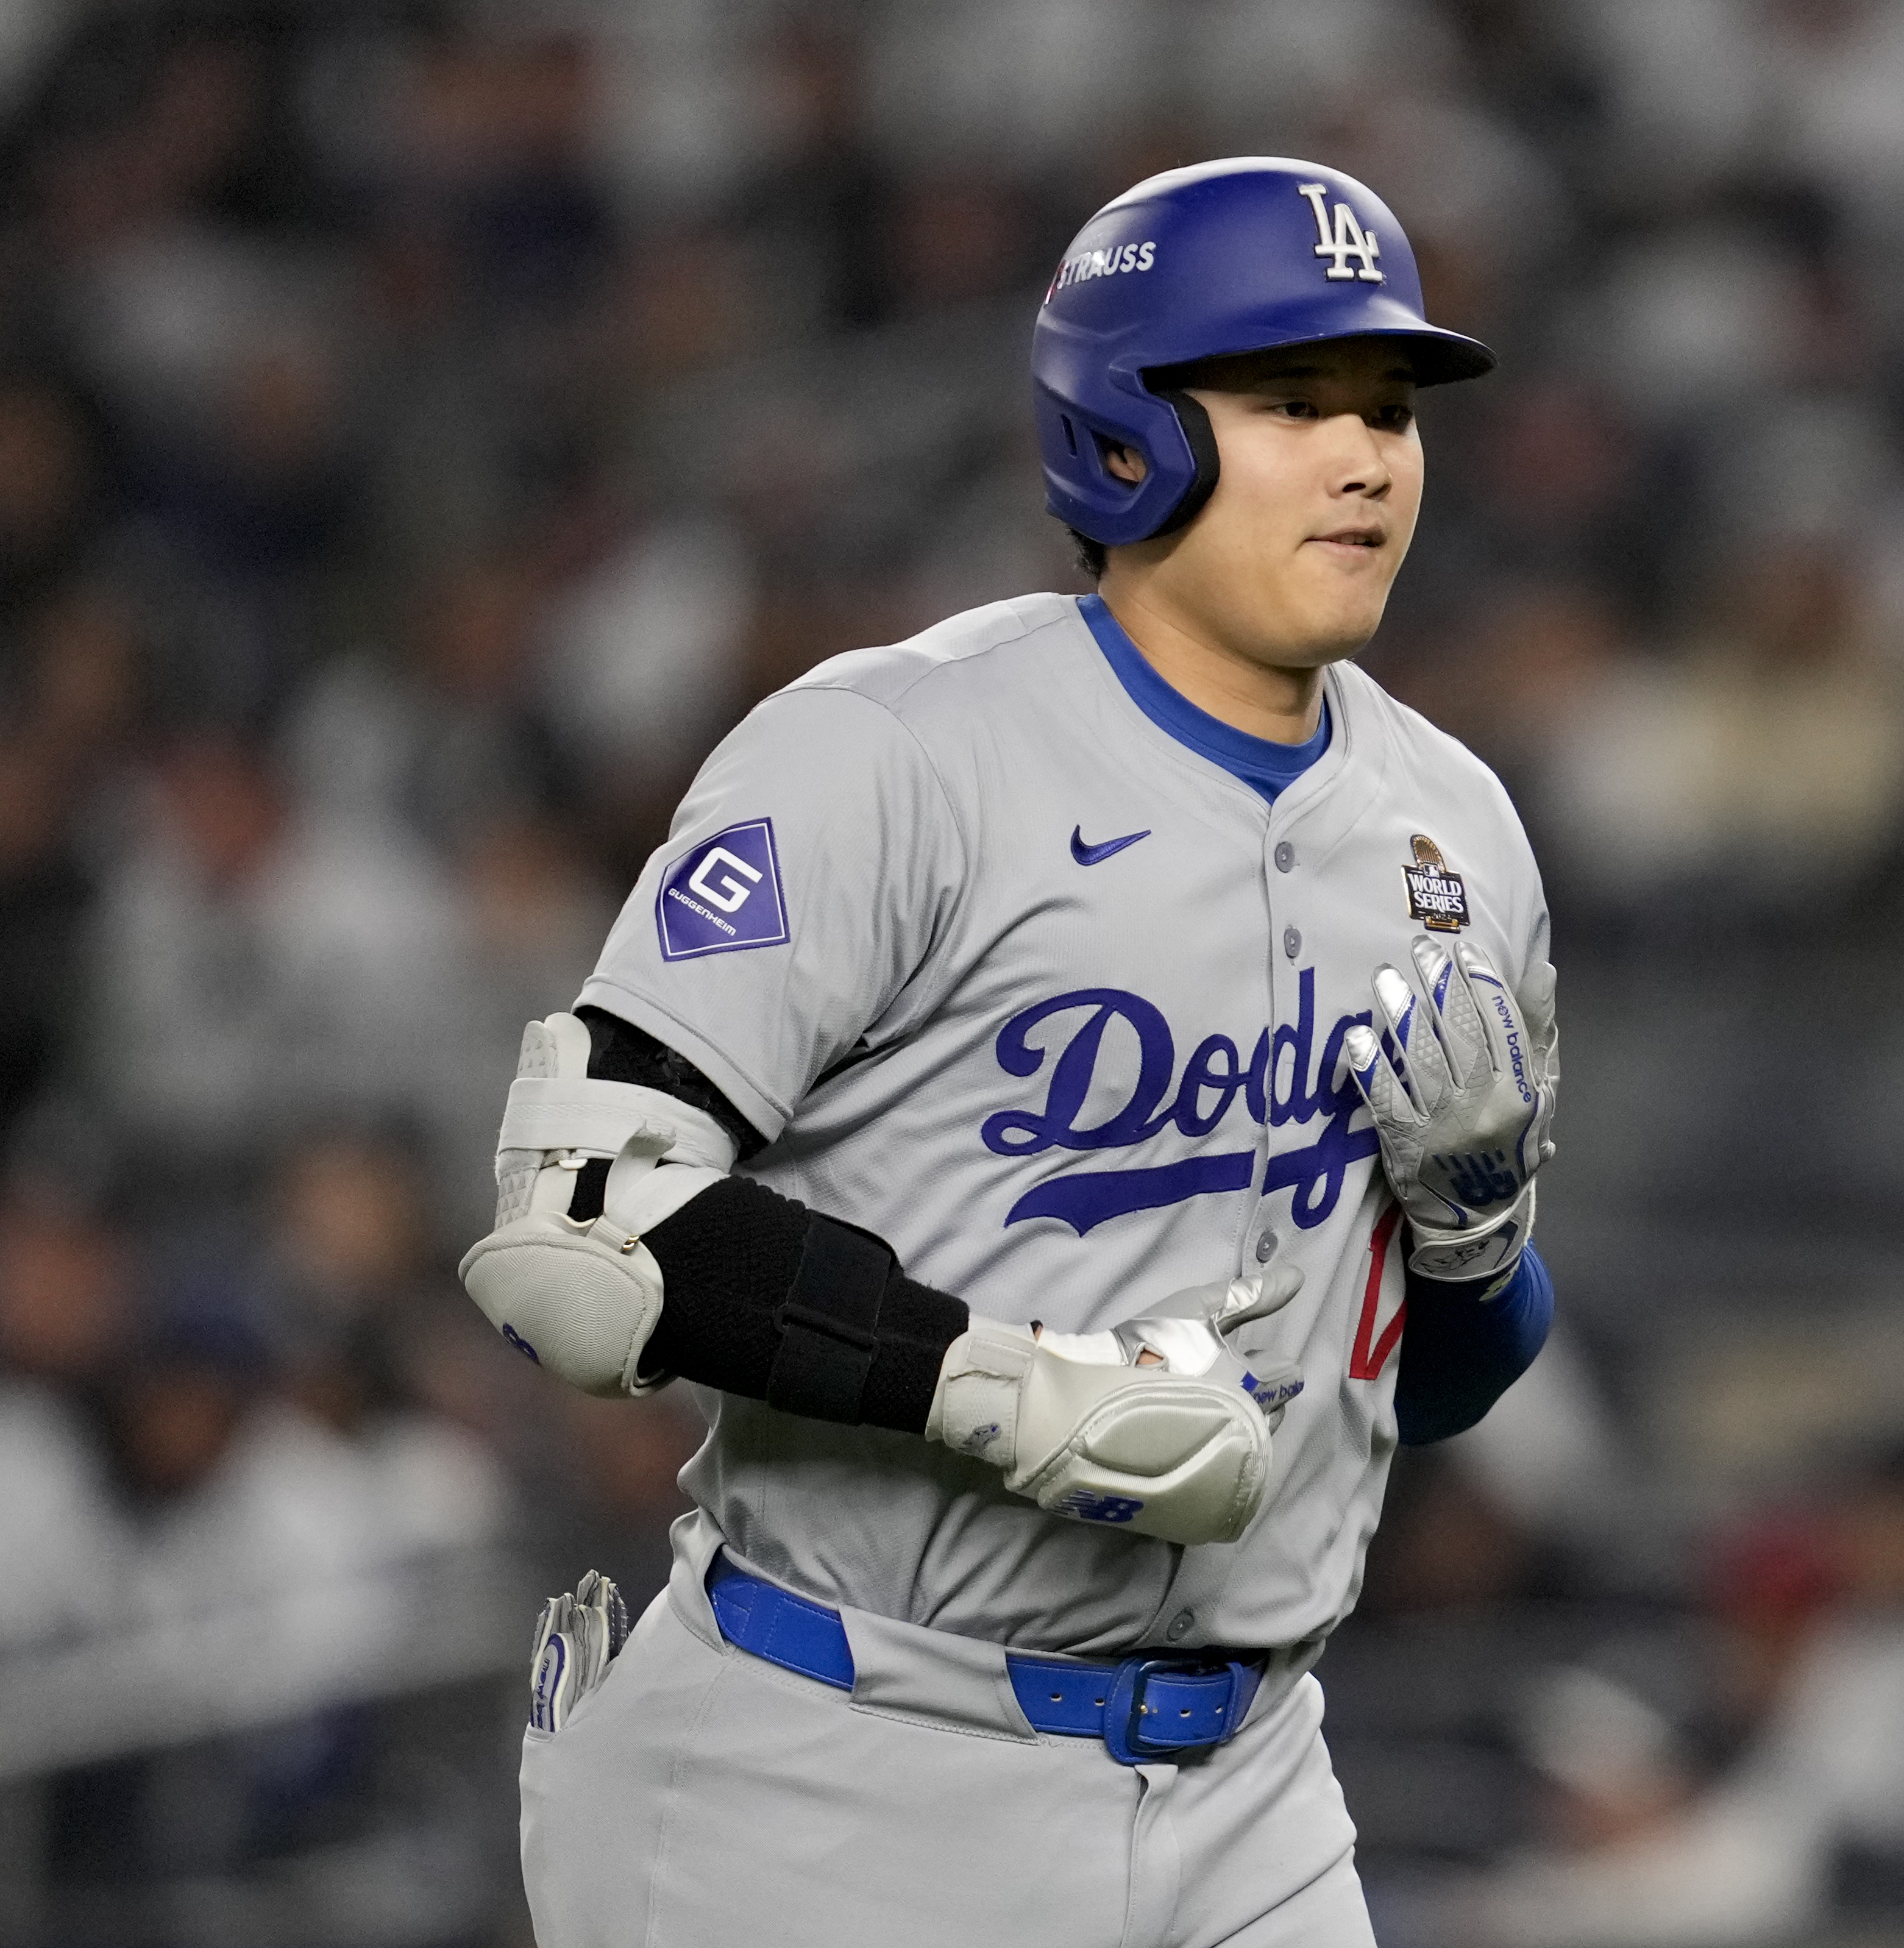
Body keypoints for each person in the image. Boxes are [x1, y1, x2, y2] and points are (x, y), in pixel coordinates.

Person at [469, 158, 1561, 1947]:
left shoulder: (1459, 832)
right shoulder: (895, 755)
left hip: (1256, 1780)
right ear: (1127, 435)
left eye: (1391, 408)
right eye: (1294, 403)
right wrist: (1013, 1392)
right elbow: (581, 1235)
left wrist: (1475, 1239)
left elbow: (1438, 1389)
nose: (1369, 457)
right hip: (835, 1762)